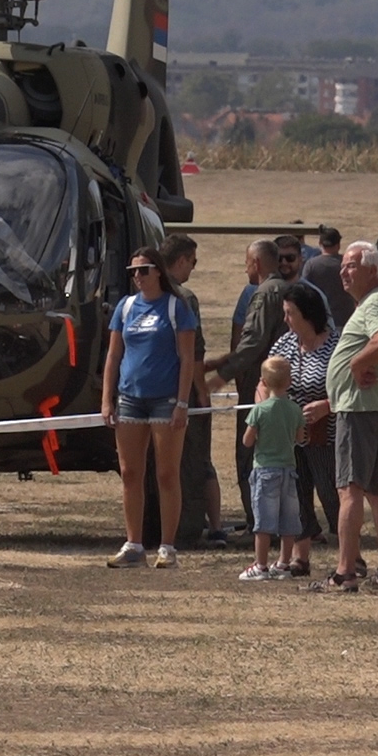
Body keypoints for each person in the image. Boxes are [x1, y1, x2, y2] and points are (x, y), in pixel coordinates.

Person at [101, 246, 198, 569]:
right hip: (130, 397)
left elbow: (187, 359)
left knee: (167, 473)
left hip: (165, 399)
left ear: (158, 271)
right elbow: (113, 357)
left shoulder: (176, 307)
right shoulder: (126, 308)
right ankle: (134, 544)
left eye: (143, 270)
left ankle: (168, 547)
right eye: (133, 273)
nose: (138, 277)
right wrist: (107, 398)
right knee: (130, 473)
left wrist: (183, 403)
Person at [320, 241, 378, 591]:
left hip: (360, 408)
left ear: (372, 269)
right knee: (377, 493)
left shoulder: (376, 303)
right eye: (342, 265)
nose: (344, 271)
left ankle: (345, 571)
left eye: (351, 265)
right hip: (377, 407)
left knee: (349, 490)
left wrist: (356, 363)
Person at [204, 240, 288, 530]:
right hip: (283, 385)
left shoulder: (264, 294)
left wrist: (221, 374)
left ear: (258, 263)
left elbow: (252, 342)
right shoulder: (289, 289)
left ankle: (261, 524)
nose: (245, 267)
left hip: (260, 384)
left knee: (250, 455)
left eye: (247, 262)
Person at [159, 234, 227, 548]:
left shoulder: (148, 294)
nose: (193, 269)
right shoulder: (185, 297)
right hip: (184, 391)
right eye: (193, 262)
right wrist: (201, 391)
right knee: (197, 460)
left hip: (156, 390)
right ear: (182, 260)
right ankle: (200, 525)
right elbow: (194, 351)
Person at [267, 283, 337, 577]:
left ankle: (351, 554)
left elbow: (353, 387)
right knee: (295, 495)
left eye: (290, 313)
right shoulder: (283, 345)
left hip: (327, 435)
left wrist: (325, 405)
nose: (286, 320)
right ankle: (300, 556)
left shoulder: (336, 345)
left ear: (308, 314)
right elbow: (265, 378)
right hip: (290, 437)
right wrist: (267, 407)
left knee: (333, 493)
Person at [238, 358, 303, 581]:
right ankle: (284, 563)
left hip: (265, 469)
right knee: (288, 521)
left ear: (263, 382)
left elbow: (247, 441)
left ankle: (261, 565)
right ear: (290, 381)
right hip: (289, 469)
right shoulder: (295, 409)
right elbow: (300, 437)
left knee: (263, 522)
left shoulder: (259, 410)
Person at [302, 226, 354, 329]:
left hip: (321, 322)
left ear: (320, 244)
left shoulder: (311, 265)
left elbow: (303, 292)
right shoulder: (348, 264)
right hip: (346, 320)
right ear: (338, 245)